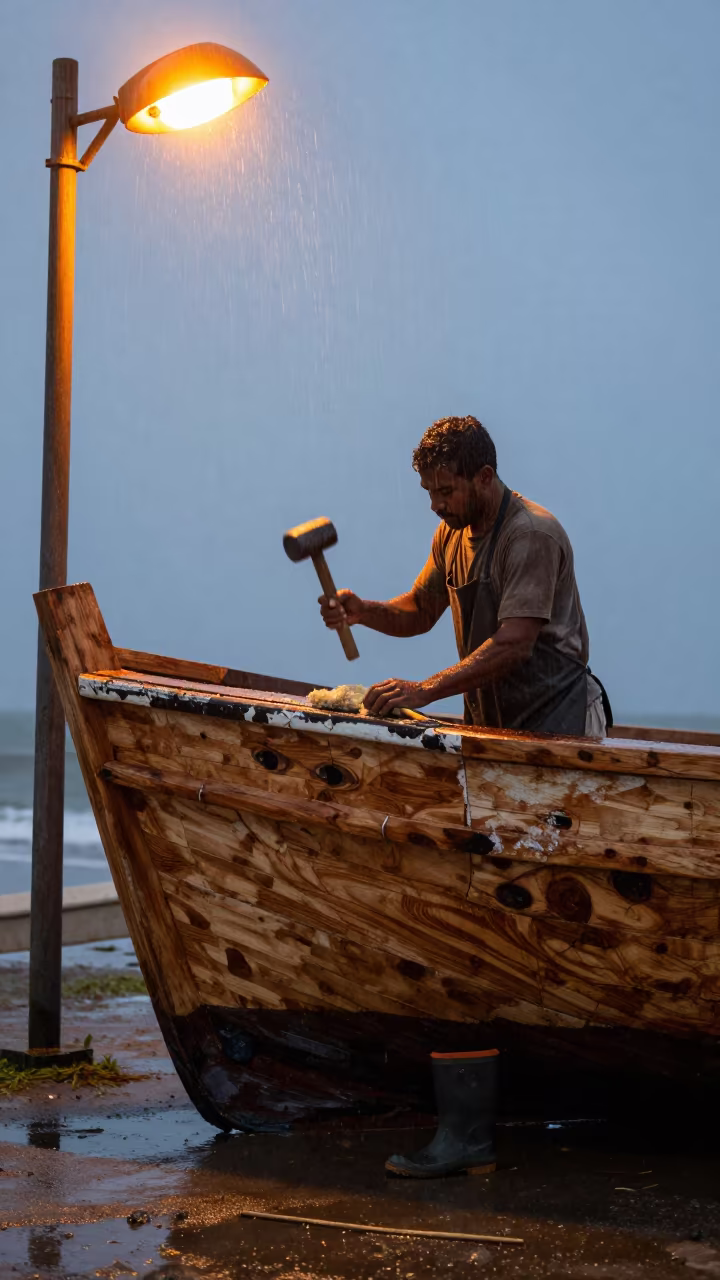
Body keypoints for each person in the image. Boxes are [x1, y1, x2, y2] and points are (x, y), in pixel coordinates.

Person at [319, 415, 609, 736]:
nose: (435, 505)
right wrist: (364, 612)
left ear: (484, 477)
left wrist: (425, 690)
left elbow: (515, 644)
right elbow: (420, 610)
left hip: (559, 720)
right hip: (495, 726)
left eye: (445, 491)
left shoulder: (529, 533)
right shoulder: (450, 534)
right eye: (428, 491)